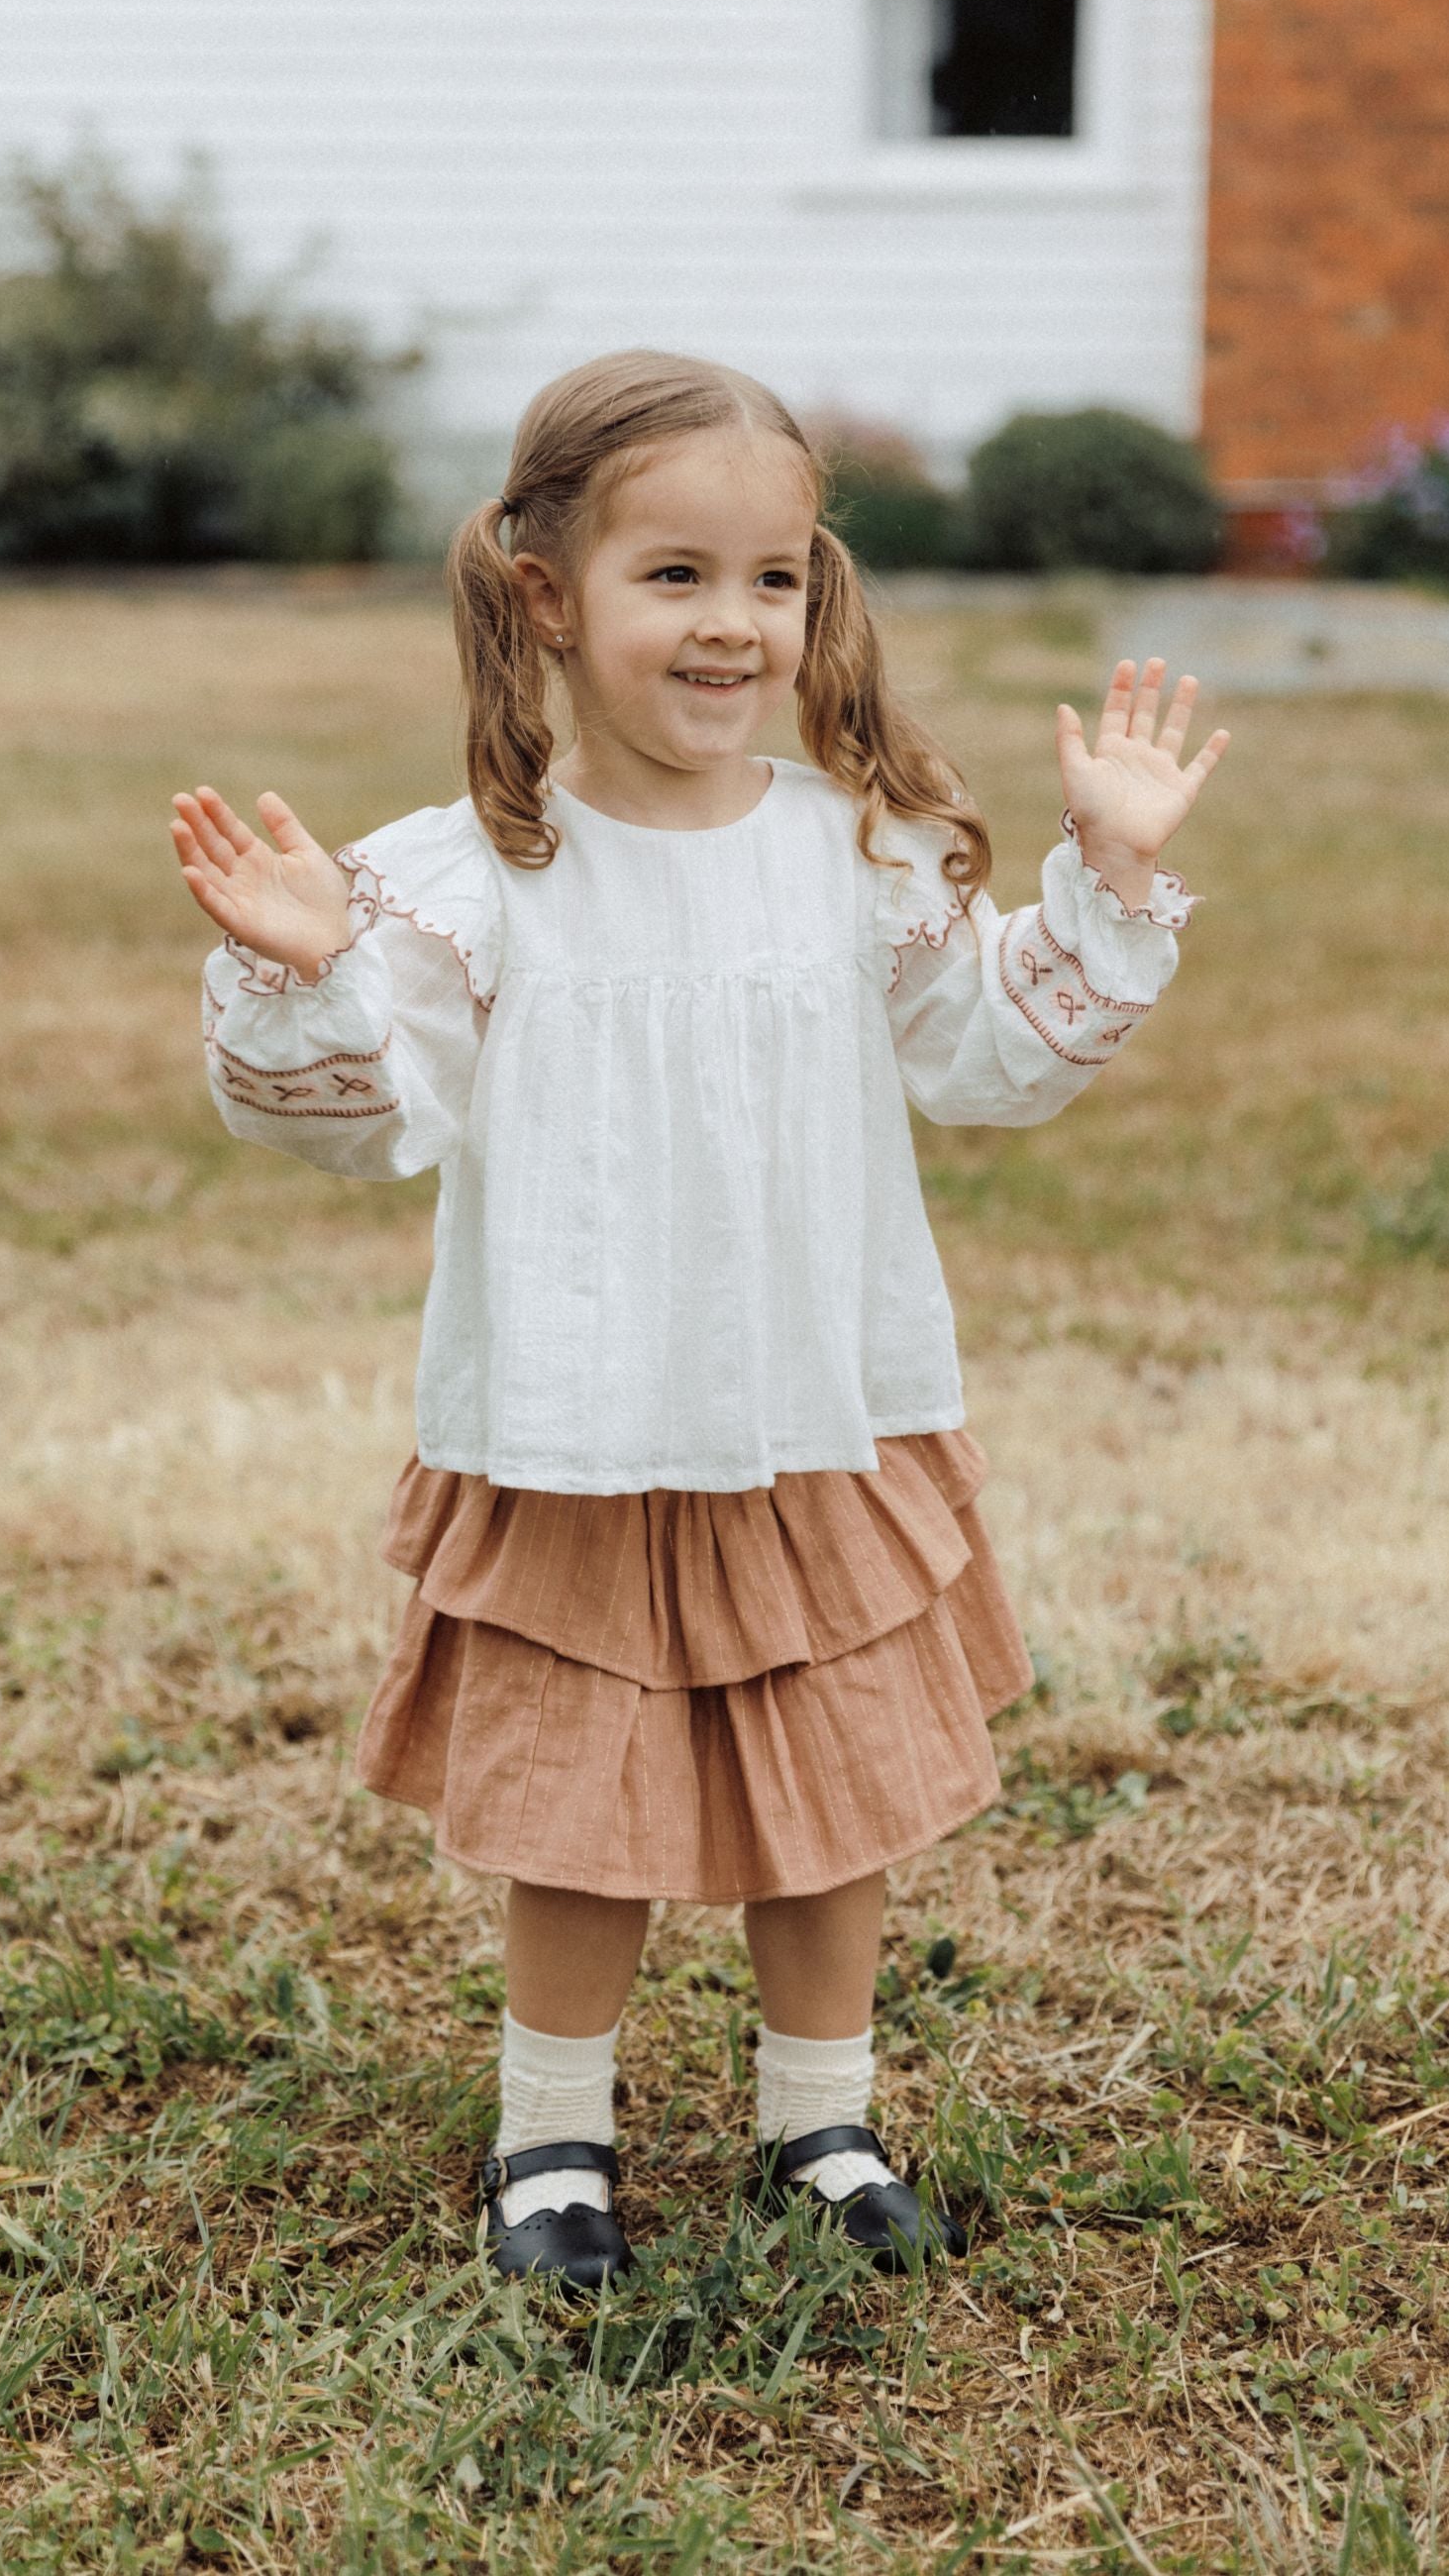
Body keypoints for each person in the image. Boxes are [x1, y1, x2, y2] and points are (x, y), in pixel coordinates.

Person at [170, 351, 1226, 2291]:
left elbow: (996, 1057)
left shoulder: (862, 855)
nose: (732, 622)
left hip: (823, 1413)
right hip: (581, 1421)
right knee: (580, 1813)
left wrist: (1112, 876)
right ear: (540, 593)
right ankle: (549, 2140)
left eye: (773, 576)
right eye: (674, 574)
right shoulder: (460, 884)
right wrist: (302, 983)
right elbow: (351, 1124)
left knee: (831, 1795)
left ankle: (820, 2111)